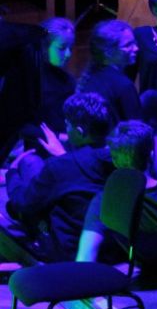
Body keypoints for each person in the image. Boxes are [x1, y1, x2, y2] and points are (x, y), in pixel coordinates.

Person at [6, 93, 114, 261]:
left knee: (29, 164)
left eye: (68, 124)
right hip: (109, 248)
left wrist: (11, 173)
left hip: (65, 250)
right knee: (34, 165)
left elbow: (23, 203)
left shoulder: (61, 167)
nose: (65, 128)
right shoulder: (118, 158)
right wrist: (63, 155)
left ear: (80, 131)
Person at [76, 120, 157, 273]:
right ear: (151, 156)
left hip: (150, 283)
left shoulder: (104, 201)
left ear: (115, 160)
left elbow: (84, 260)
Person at [77, 19, 143, 123]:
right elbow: (137, 130)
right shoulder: (123, 86)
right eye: (127, 45)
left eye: (134, 43)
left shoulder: (89, 78)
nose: (136, 48)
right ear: (108, 52)